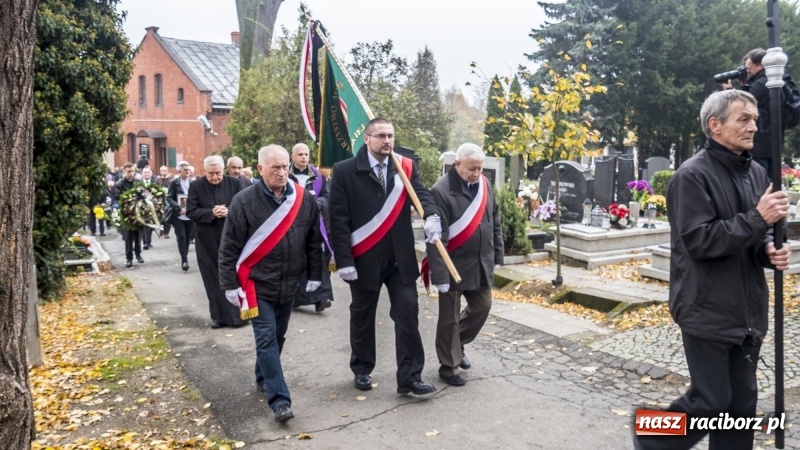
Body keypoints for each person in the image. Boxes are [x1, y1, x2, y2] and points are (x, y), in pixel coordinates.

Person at [634, 90, 791, 450]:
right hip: (707, 307)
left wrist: (769, 249)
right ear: (715, 125)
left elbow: (757, 233)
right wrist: (758, 218)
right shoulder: (691, 176)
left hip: (747, 307)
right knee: (711, 400)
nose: (754, 125)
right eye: (744, 119)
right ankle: (651, 439)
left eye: (755, 118)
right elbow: (700, 241)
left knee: (740, 406)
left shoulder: (755, 172)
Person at [329, 118, 442, 396]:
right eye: (381, 135)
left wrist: (432, 215)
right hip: (364, 259)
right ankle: (362, 368)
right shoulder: (344, 171)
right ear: (367, 139)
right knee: (362, 316)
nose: (387, 141)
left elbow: (422, 194)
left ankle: (410, 377)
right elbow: (338, 220)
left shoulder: (405, 167)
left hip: (399, 260)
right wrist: (344, 260)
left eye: (390, 135)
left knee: (407, 315)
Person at [219, 144, 322, 424]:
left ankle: (262, 376)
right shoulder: (243, 201)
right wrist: (229, 284)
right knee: (266, 339)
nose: (282, 172)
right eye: (275, 167)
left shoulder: (303, 199)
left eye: (285, 166)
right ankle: (280, 401)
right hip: (257, 285)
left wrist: (315, 276)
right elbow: (229, 247)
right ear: (261, 168)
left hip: (289, 284)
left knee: (277, 338)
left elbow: (314, 242)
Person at [425, 143, 504, 387]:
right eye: (471, 169)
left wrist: (497, 255)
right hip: (453, 263)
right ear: (457, 165)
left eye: (480, 169)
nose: (476, 174)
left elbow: (495, 221)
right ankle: (448, 366)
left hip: (480, 261)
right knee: (449, 317)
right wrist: (439, 274)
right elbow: (437, 237)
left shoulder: (485, 185)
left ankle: (455, 346)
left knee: (482, 306)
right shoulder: (440, 190)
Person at [186, 155, 246, 328]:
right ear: (204, 171)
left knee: (235, 274)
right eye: (211, 174)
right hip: (207, 239)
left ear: (223, 170)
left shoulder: (234, 184)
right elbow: (191, 212)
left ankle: (241, 314)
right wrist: (211, 213)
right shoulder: (196, 186)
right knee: (212, 277)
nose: (215, 177)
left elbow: (243, 207)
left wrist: (228, 211)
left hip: (232, 237)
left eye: (218, 173)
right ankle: (218, 317)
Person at [721, 48, 784, 174]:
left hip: (760, 142)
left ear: (761, 65)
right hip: (772, 141)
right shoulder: (772, 80)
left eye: (749, 68)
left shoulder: (763, 83)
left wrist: (728, 91)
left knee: (758, 179)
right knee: (770, 181)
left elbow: (744, 104)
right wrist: (745, 84)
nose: (747, 71)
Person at [289, 143, 334, 313]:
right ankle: (295, 298)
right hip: (291, 223)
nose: (303, 157)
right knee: (295, 260)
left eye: (306, 154)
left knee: (317, 258)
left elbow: (327, 197)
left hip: (315, 223)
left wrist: (315, 203)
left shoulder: (318, 175)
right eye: (300, 154)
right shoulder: (285, 173)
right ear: (292, 156)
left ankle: (320, 298)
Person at [114, 163, 144, 268]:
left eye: (132, 171)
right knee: (128, 237)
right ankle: (129, 258)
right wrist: (128, 199)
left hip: (137, 213)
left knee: (138, 236)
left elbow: (143, 194)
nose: (130, 173)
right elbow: (117, 197)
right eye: (128, 171)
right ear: (124, 172)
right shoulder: (119, 184)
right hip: (126, 214)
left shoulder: (138, 182)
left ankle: (138, 254)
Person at [167, 162, 194, 272]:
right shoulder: (174, 183)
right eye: (184, 170)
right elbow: (169, 198)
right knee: (181, 237)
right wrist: (179, 208)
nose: (187, 172)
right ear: (179, 171)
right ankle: (184, 260)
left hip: (190, 215)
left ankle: (185, 256)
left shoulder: (193, 183)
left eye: (188, 170)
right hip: (178, 215)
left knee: (187, 237)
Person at [156, 165, 174, 238]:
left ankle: (166, 232)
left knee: (168, 217)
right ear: (160, 172)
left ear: (167, 171)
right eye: (162, 170)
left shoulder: (171, 180)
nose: (163, 172)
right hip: (159, 201)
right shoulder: (157, 180)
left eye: (165, 170)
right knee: (160, 217)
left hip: (168, 200)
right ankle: (161, 230)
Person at [140, 167, 156, 249]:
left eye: (148, 172)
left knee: (150, 225)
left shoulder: (155, 183)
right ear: (142, 174)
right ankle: (145, 242)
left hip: (152, 207)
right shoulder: (138, 183)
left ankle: (148, 241)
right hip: (141, 207)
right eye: (145, 172)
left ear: (151, 173)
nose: (146, 174)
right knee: (144, 225)